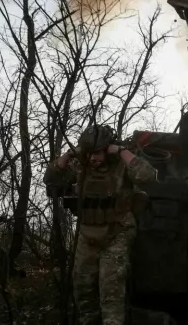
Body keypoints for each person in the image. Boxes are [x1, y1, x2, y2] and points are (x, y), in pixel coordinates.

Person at [44, 124, 158, 325]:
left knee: (111, 292)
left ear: (108, 149)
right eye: (91, 153)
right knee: (83, 292)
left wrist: (122, 152)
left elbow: (147, 176)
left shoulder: (121, 164)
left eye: (99, 152)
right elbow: (51, 178)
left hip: (117, 233)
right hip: (87, 236)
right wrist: (70, 154)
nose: (95, 158)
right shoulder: (81, 165)